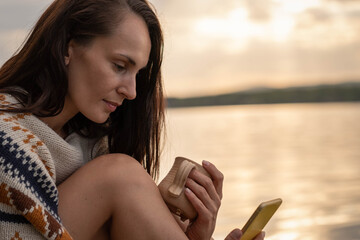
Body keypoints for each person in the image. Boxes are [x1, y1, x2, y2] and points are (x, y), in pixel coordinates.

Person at [0, 0, 265, 239]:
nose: (132, 91)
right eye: (119, 66)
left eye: (137, 73)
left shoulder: (90, 146)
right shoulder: (8, 137)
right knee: (121, 176)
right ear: (68, 47)